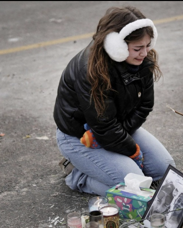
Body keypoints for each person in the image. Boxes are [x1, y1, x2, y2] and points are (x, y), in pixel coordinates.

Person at [53, 6, 175, 196]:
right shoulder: (89, 69)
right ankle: (77, 175)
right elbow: (103, 127)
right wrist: (132, 152)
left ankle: (109, 165)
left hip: (115, 128)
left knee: (165, 170)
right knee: (138, 189)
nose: (144, 53)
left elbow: (145, 106)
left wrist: (123, 140)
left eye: (148, 45)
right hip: (79, 136)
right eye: (137, 48)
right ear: (115, 45)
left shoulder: (142, 60)